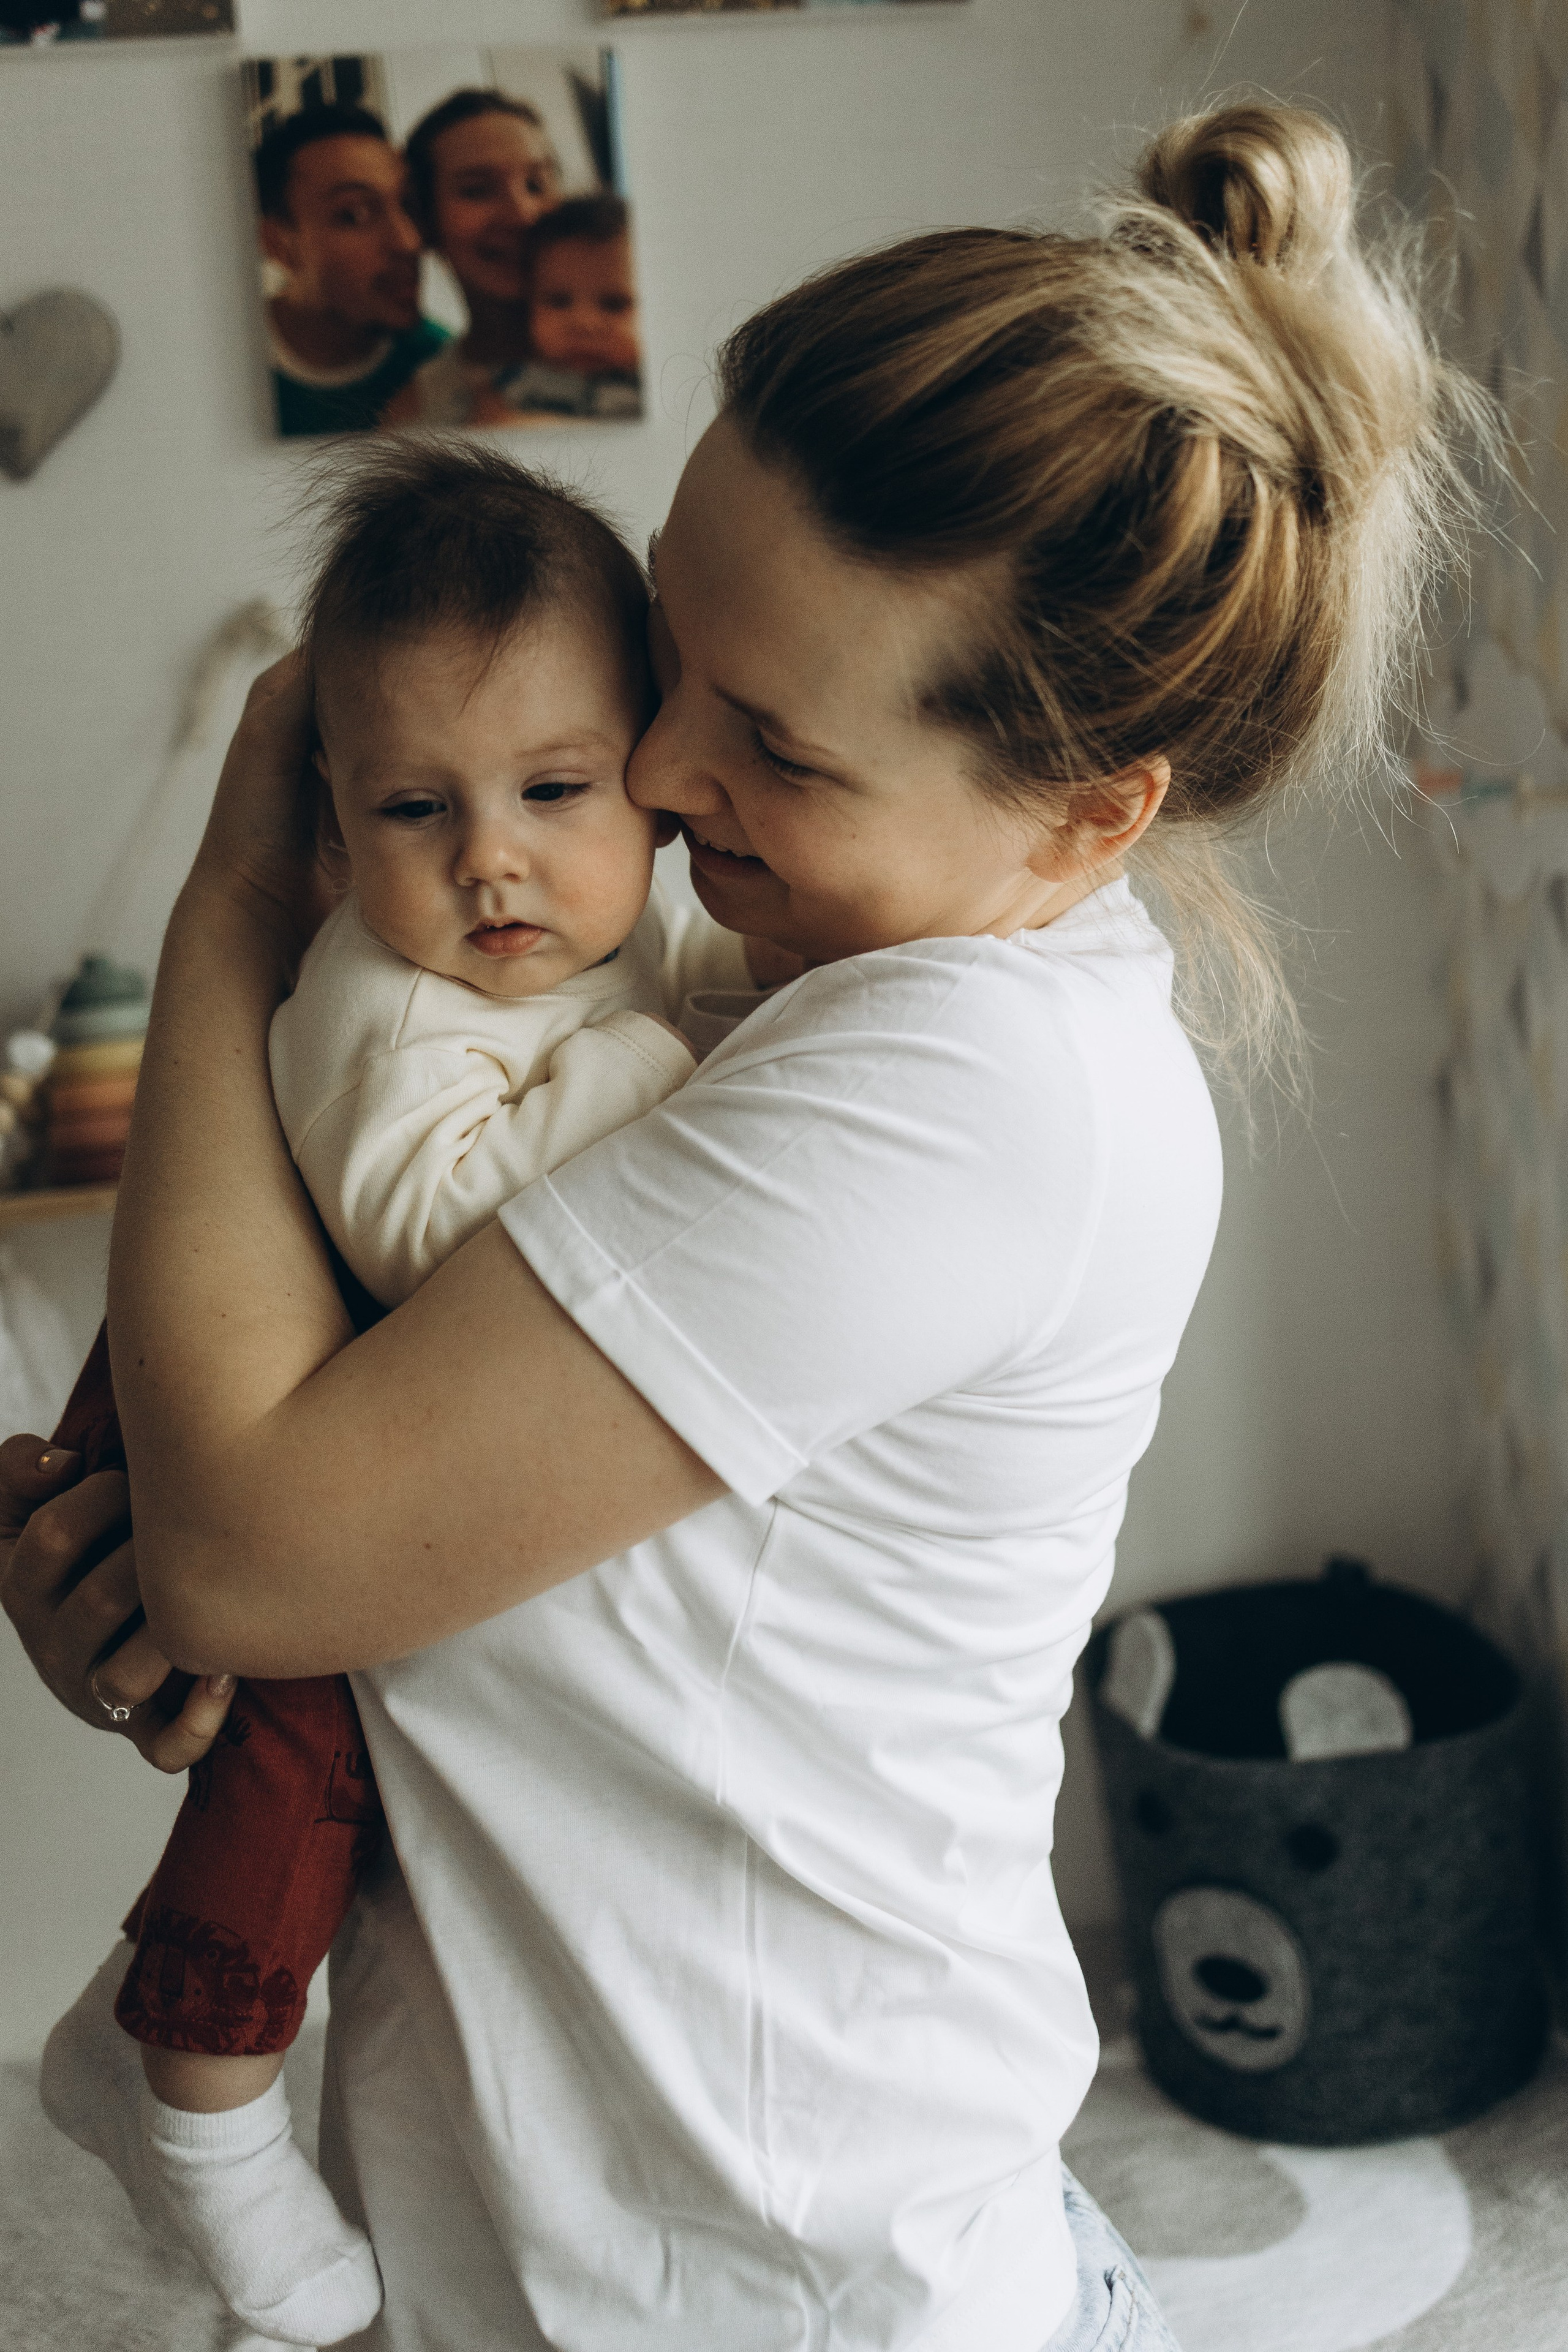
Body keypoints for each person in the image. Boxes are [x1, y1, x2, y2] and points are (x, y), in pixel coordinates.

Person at [2, 104, 1485, 2352]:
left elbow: (257, 1543)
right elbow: (312, 1515)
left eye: (768, 746)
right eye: (671, 654)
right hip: (515, 2221)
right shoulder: (765, 991)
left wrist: (240, 887)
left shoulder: (957, 1095)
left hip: (763, 2292)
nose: (666, 773)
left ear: (1080, 821)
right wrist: (143, 1542)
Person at [35, 444, 755, 2348]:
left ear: (655, 786)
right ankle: (186, 2084)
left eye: (551, 790)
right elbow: (437, 1223)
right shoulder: (378, 994)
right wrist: (692, 1093)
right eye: (415, 807)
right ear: (334, 833)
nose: (490, 857)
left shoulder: (634, 948)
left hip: (330, 1413)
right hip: (267, 1432)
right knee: (296, 1775)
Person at [252, 104, 450, 439]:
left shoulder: (440, 369)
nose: (410, 242)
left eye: (408, 205)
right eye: (355, 215)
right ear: (278, 245)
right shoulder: (220, 366)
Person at [384, 89, 567, 429]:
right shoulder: (414, 419)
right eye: (477, 190)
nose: (523, 215)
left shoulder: (643, 350)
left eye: (536, 184)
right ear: (425, 222)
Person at [482, 194, 643, 424]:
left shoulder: (657, 387)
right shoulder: (508, 383)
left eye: (615, 304)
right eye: (559, 302)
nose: (585, 324)